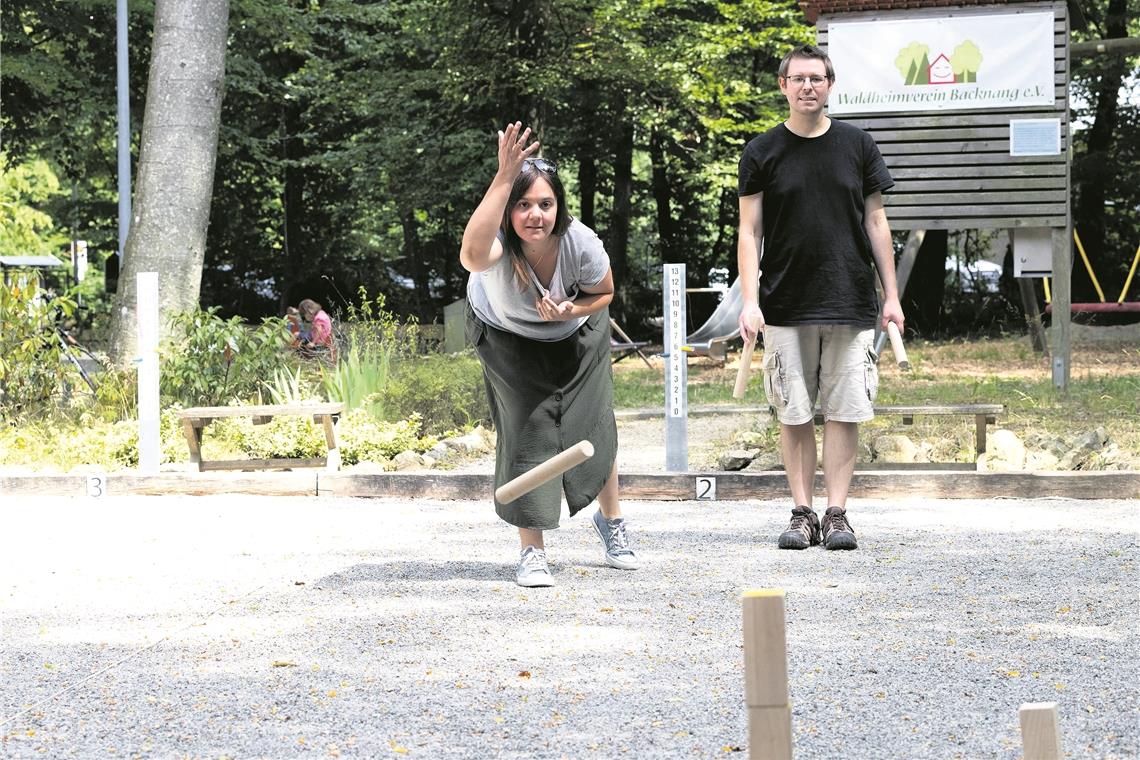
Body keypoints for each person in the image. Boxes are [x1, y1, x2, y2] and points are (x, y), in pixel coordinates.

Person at [736, 44, 904, 551]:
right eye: (798, 78)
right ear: (783, 86)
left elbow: (876, 222)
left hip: (850, 298)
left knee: (845, 410)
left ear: (830, 85)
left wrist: (891, 296)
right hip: (784, 302)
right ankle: (801, 512)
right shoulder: (761, 152)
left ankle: (837, 514)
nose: (808, 86)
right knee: (794, 412)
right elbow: (748, 232)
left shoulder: (858, 145)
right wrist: (750, 300)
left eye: (817, 78)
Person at [460, 121, 639, 587]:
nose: (535, 214)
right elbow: (471, 256)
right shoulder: (499, 245)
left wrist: (572, 307)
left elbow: (604, 292)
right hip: (507, 337)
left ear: (559, 207)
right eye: (522, 205)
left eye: (545, 203)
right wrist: (504, 176)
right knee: (529, 431)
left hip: (578, 333)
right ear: (508, 210)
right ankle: (532, 551)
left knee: (594, 420)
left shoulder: (581, 242)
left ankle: (612, 522)